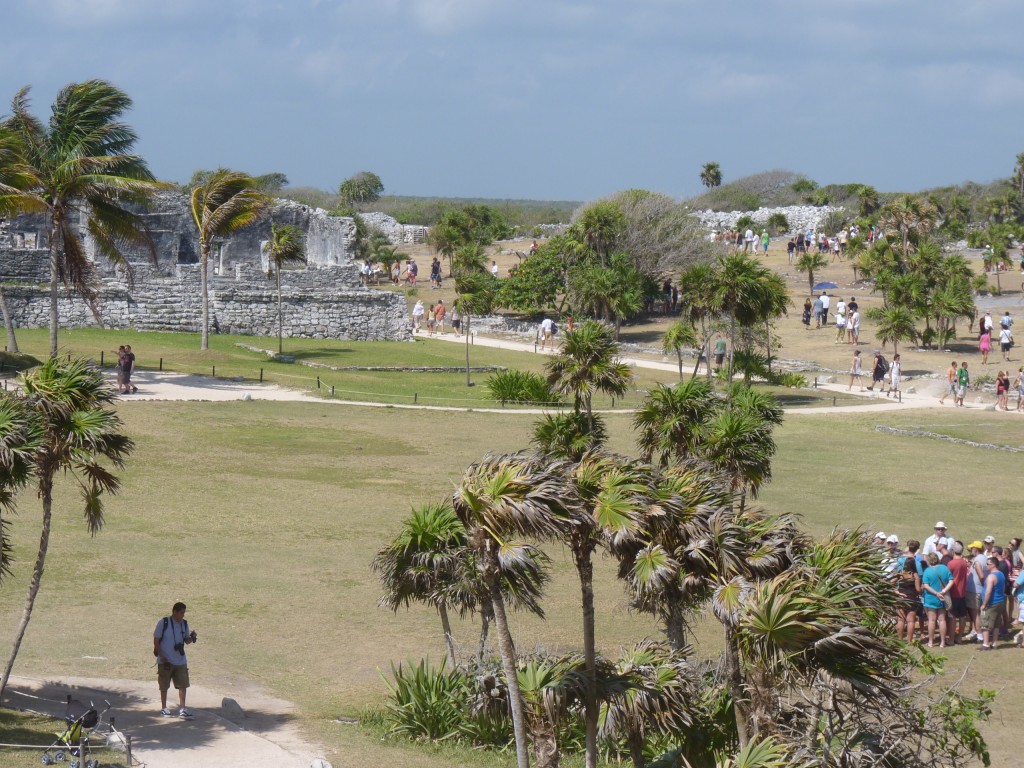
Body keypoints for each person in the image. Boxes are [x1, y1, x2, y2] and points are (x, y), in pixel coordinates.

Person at [154, 602, 197, 717]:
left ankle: (182, 709)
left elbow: (186, 640)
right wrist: (161, 655)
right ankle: (164, 708)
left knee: (183, 684)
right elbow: (156, 640)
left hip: (180, 660)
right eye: (181, 613)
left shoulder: (184, 624)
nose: (183, 615)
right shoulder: (164, 622)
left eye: (184, 613)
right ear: (175, 612)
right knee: (164, 685)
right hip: (165, 660)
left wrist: (192, 638)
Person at [921, 553, 952, 648]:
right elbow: (951, 580)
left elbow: (926, 585)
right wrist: (944, 591)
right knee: (942, 620)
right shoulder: (944, 568)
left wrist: (936, 593)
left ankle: (931, 641)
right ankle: (942, 642)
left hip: (931, 598)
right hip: (943, 597)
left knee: (931, 620)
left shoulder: (927, 571)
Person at [946, 542, 971, 644]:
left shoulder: (951, 563)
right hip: (962, 592)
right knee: (962, 616)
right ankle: (959, 637)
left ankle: (951, 639)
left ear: (953, 551)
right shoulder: (964, 562)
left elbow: (947, 577)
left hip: (953, 592)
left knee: (952, 616)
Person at [980, 555, 1007, 649]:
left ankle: (985, 644)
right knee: (996, 624)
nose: (986, 565)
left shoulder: (991, 576)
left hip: (991, 603)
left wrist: (984, 604)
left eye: (988, 564)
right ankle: (994, 643)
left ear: (993, 565)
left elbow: (988, 591)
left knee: (985, 623)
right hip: (1000, 602)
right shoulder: (1001, 574)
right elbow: (1003, 588)